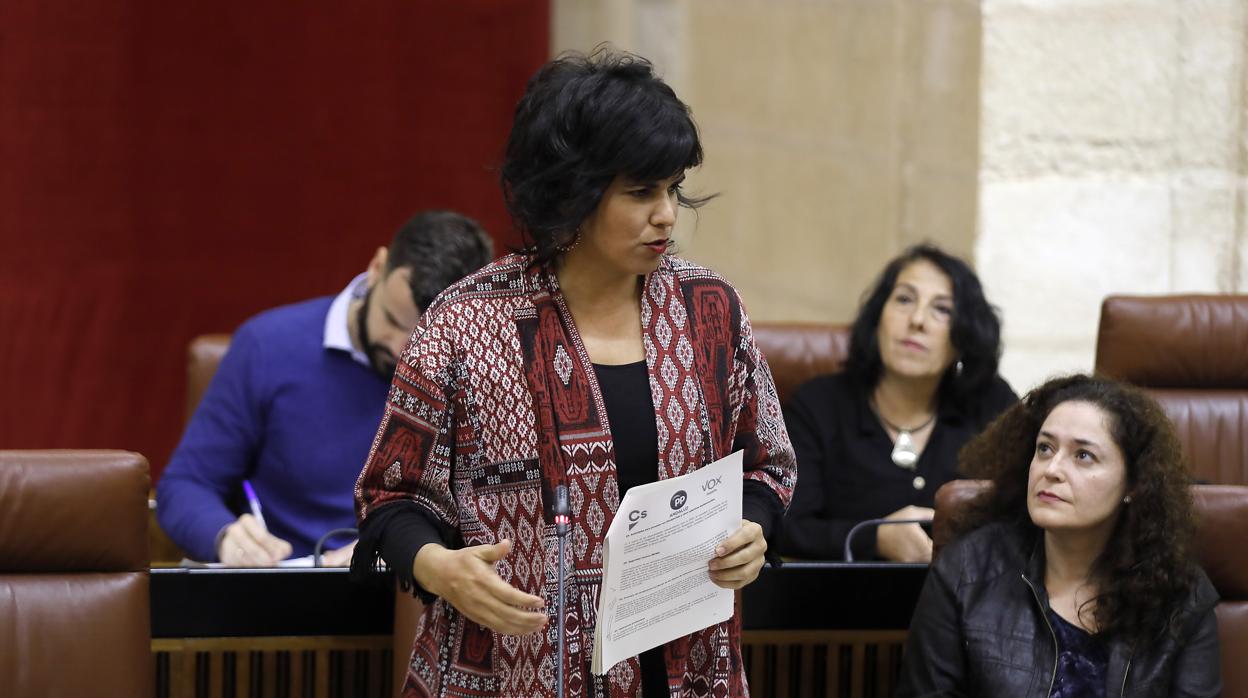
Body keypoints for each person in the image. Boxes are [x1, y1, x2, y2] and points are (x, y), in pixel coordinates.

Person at [351, 49, 796, 697]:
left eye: (673, 189)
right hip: (512, 672)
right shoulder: (467, 321)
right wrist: (439, 567)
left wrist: (755, 528)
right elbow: (391, 494)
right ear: (573, 192)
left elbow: (765, 466)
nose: (667, 213)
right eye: (641, 192)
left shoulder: (710, 309)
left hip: (687, 670)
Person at [156, 210, 492, 566]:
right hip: (286, 588)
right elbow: (185, 485)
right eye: (393, 321)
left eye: (426, 336)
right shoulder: (268, 346)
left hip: (413, 594)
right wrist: (223, 535)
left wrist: (401, 544)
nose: (401, 350)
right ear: (377, 267)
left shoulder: (479, 374)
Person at [896, 374, 1221, 696]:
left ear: (1134, 485)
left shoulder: (1182, 598)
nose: (1051, 469)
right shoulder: (965, 571)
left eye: (1083, 456)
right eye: (1045, 448)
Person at [778, 244, 1016, 562]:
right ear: (878, 319)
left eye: (942, 309)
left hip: (965, 605)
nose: (917, 320)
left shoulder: (991, 405)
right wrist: (874, 538)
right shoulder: (818, 405)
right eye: (904, 299)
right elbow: (786, 528)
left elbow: (1023, 515)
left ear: (965, 336)